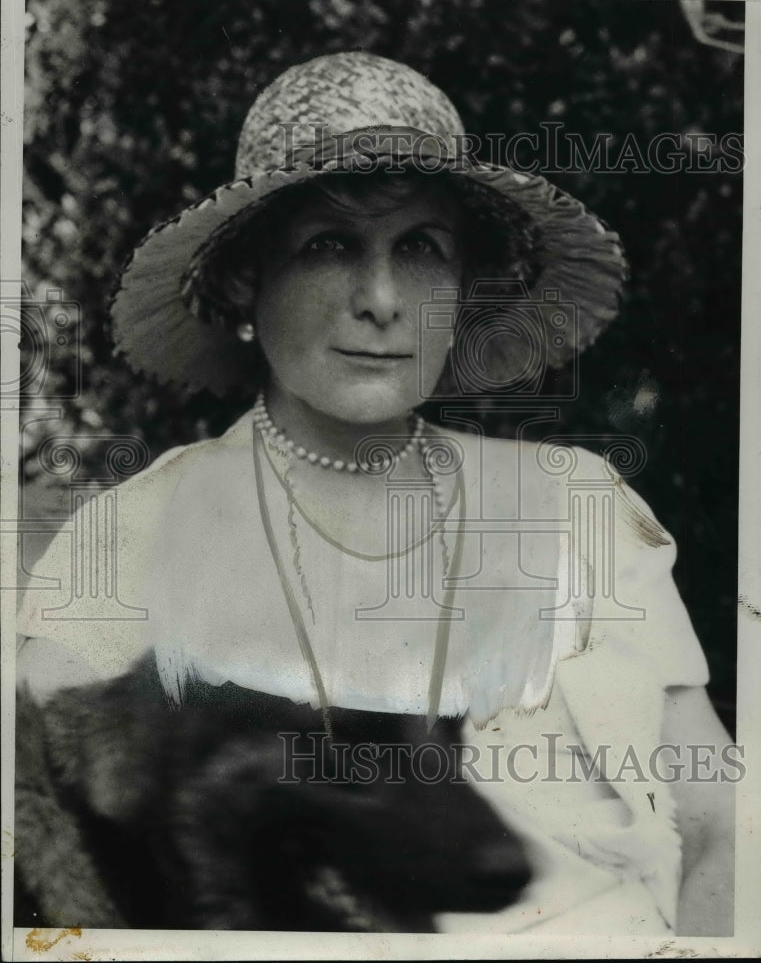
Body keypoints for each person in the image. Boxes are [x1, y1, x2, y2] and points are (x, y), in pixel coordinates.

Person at [15, 51, 734, 935]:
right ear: (247, 279)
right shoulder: (133, 534)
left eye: (421, 249)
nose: (383, 300)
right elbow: (48, 848)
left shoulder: (573, 506)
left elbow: (721, 829)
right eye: (329, 245)